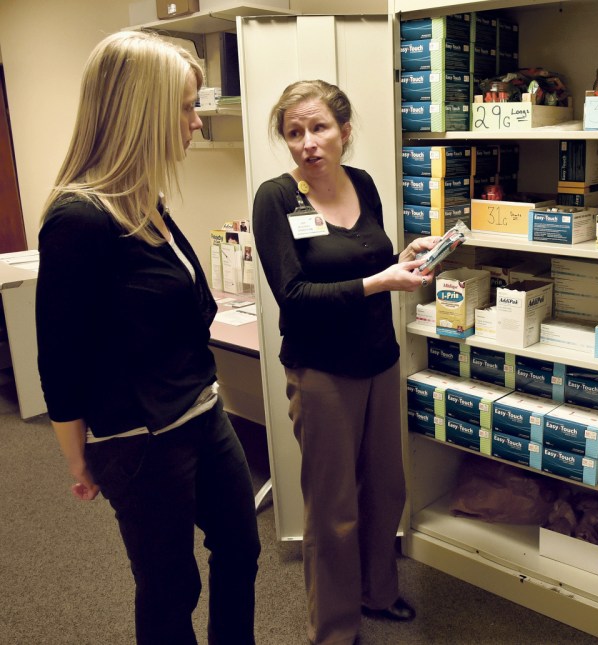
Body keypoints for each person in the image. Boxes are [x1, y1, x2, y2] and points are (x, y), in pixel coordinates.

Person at [35, 31, 260, 645]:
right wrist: (79, 458)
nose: (194, 122)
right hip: (139, 439)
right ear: (142, 112)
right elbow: (59, 359)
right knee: (169, 590)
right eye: (186, 107)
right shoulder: (79, 219)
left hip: (202, 411)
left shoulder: (147, 199)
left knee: (241, 549)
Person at [252, 79, 440, 645]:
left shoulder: (362, 183)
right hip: (321, 372)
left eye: (319, 127)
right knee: (333, 508)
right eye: (294, 132)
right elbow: (296, 295)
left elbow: (373, 255)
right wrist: (380, 280)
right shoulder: (276, 198)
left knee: (385, 489)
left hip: (379, 362)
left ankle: (377, 593)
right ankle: (333, 629)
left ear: (344, 132)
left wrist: (402, 258)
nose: (307, 142)